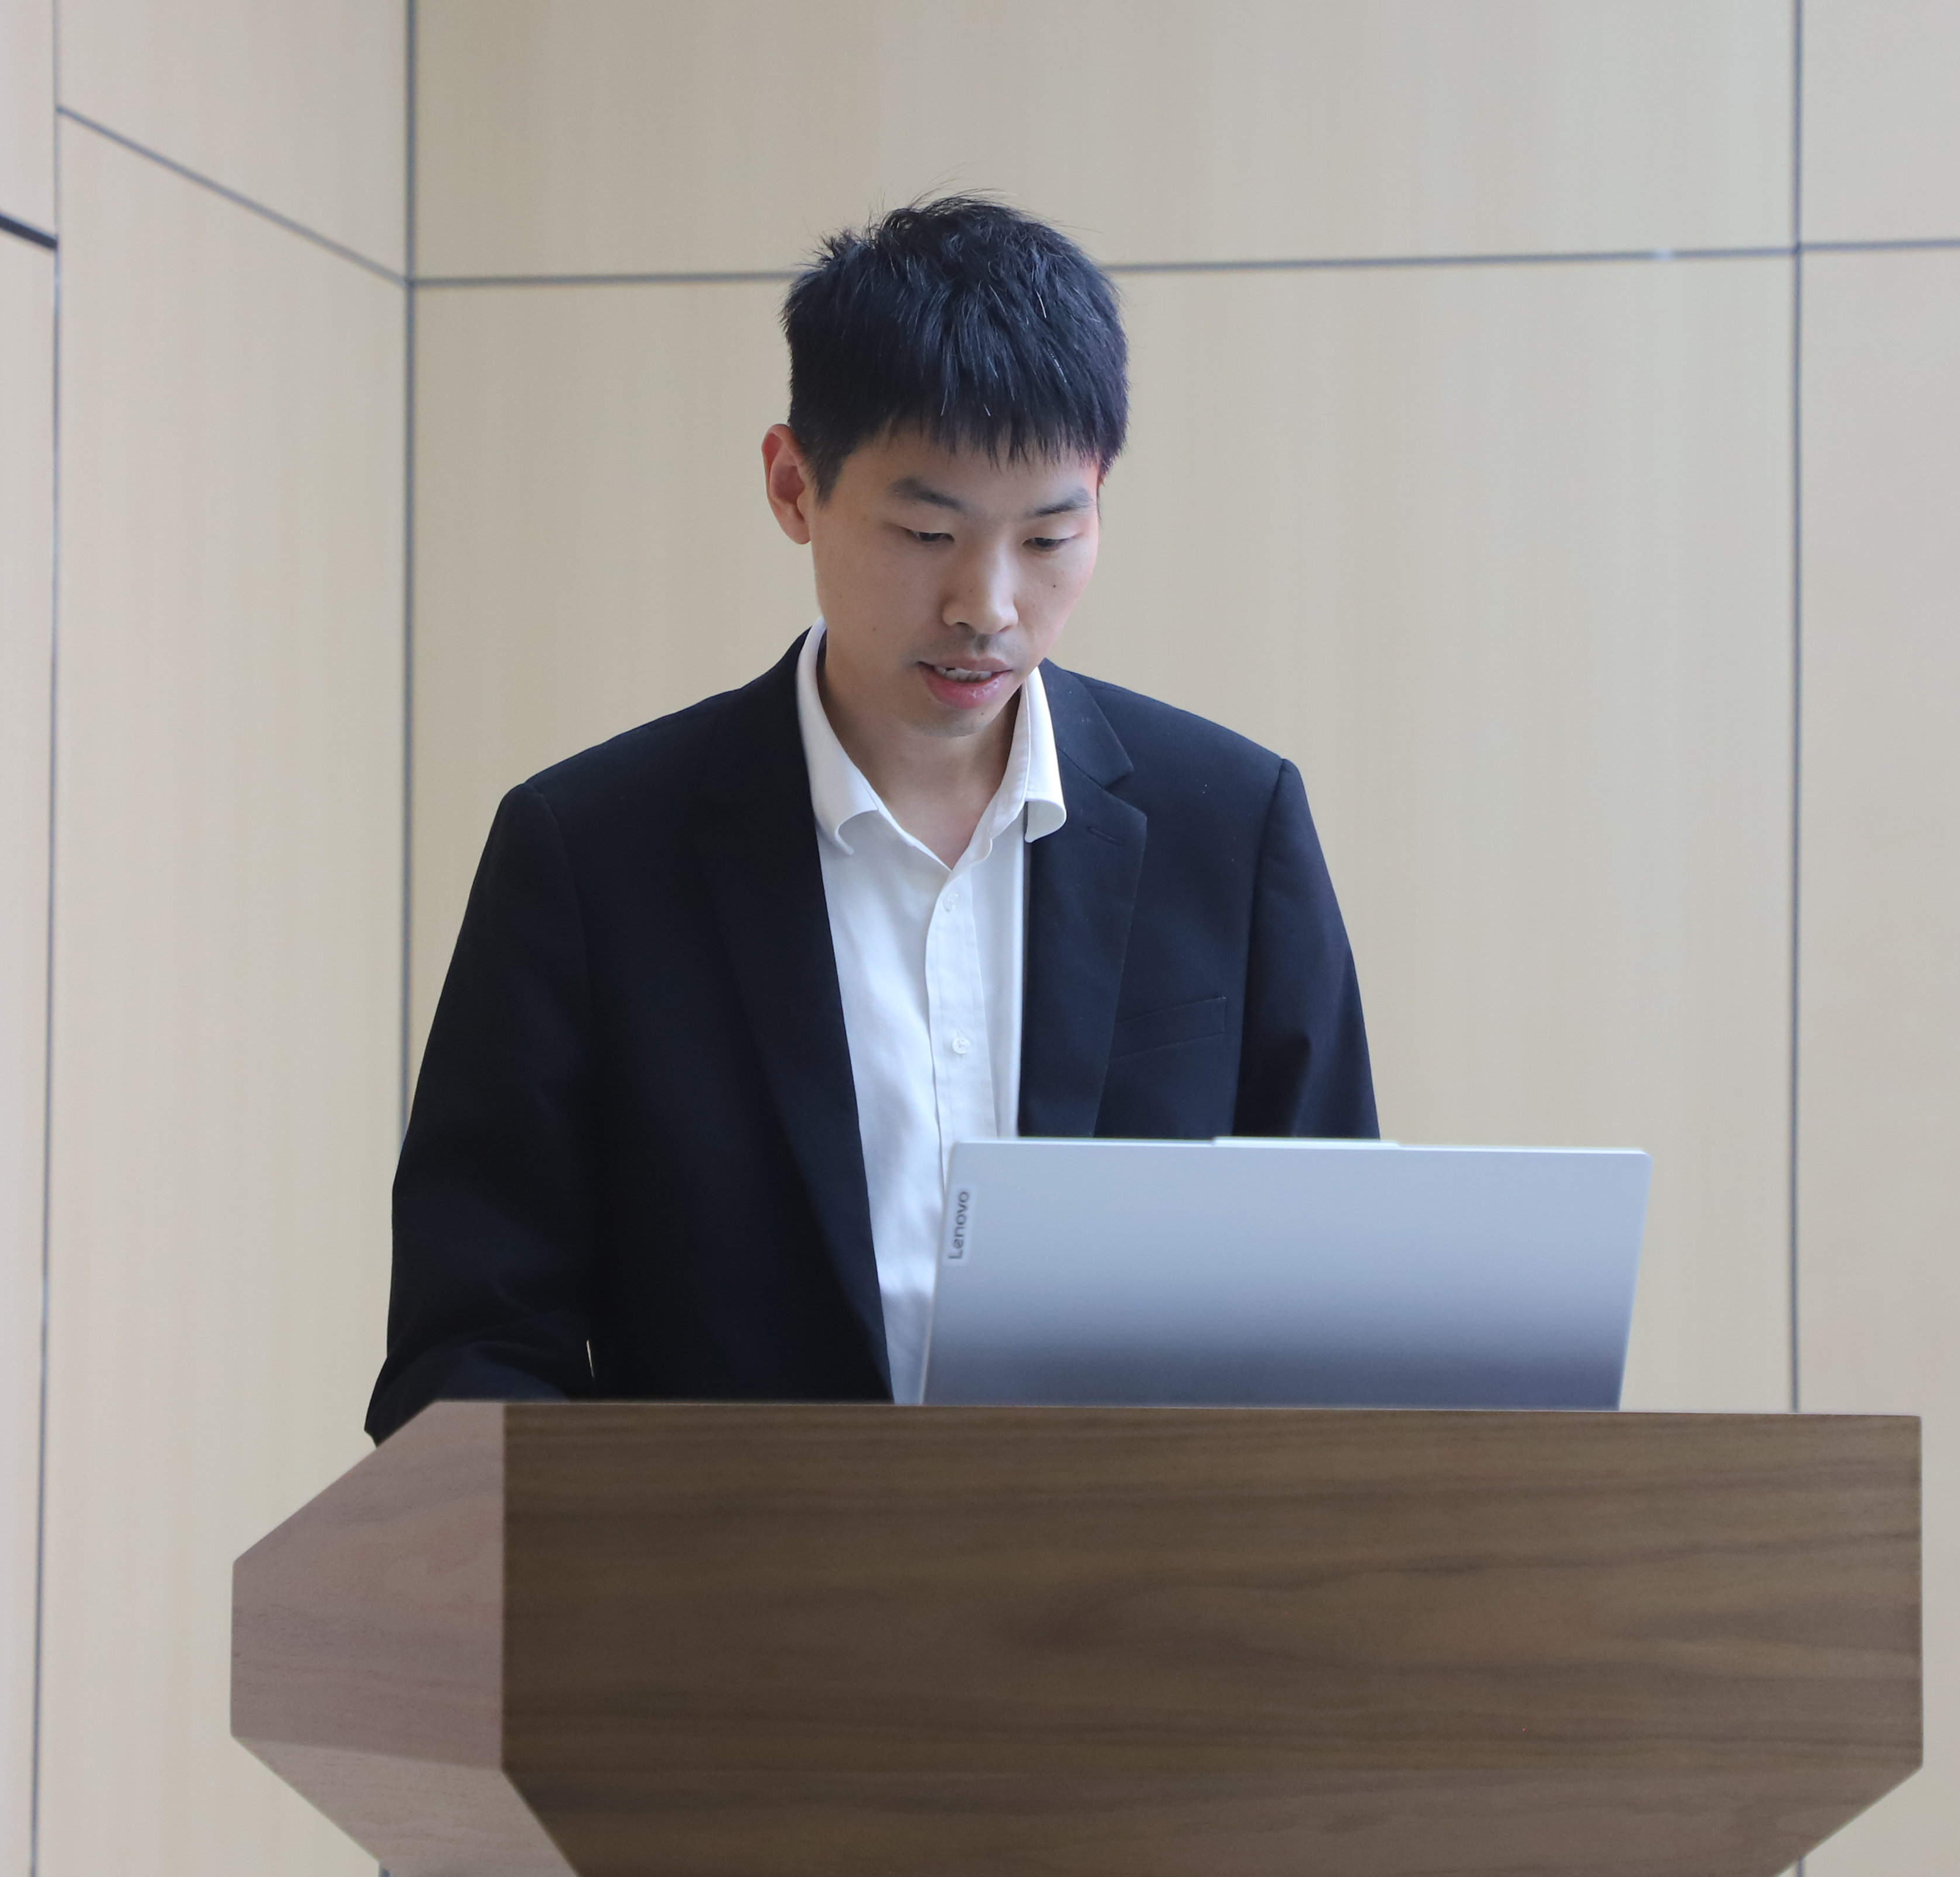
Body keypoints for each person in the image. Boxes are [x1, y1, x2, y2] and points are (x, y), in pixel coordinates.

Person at [367, 197, 1376, 1437]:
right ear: (794, 485)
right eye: (925, 531)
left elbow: (1343, 1298)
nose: (986, 606)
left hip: (1143, 1555)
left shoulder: (1230, 825)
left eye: (1049, 536)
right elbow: (469, 1346)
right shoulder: (589, 855)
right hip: (734, 1560)